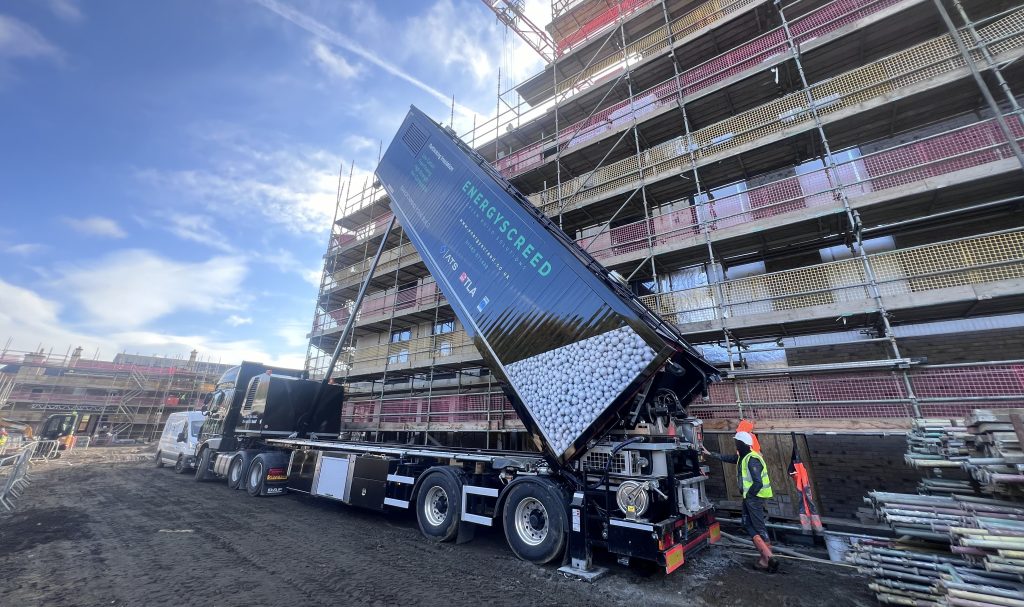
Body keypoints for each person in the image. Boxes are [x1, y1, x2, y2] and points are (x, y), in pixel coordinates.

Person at [704, 431, 778, 572]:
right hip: (750, 498)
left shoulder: (752, 459)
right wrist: (709, 453)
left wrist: (749, 496)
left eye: (737, 443)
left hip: (754, 498)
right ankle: (767, 556)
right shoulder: (743, 457)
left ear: (743, 444)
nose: (735, 445)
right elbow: (727, 458)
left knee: (757, 526)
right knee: (747, 524)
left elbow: (758, 482)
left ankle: (767, 558)